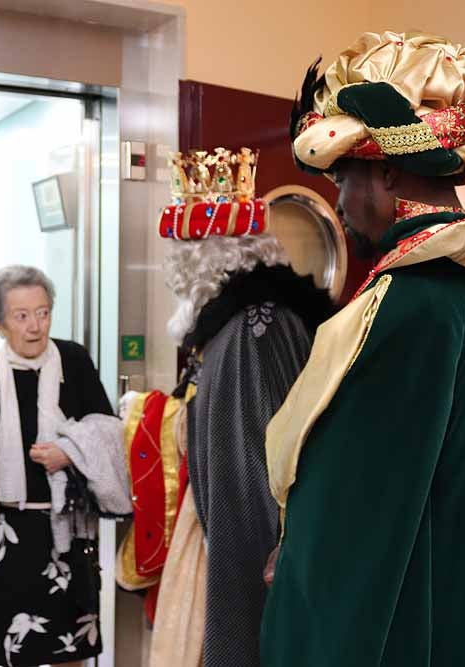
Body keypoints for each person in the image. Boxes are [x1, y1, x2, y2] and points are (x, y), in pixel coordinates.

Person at [261, 31, 465, 665]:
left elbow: (358, 510)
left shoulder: (412, 301)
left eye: (344, 177)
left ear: (385, 170)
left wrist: (294, 562)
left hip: (431, 622)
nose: (341, 203)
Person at [135, 149, 334, 667]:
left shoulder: (250, 332)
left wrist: (240, 623)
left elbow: (249, 491)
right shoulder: (241, 325)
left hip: (247, 569)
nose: (171, 270)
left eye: (177, 253)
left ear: (203, 254)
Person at [0, 265, 113, 667]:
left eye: (43, 312)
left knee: (70, 650)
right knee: (11, 650)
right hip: (6, 535)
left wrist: (69, 453)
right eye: (22, 316)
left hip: (67, 533)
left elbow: (108, 430)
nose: (35, 326)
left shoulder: (73, 361)